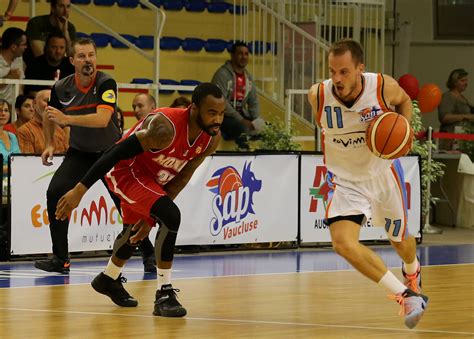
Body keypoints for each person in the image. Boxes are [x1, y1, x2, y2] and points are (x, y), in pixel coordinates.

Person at [55, 83, 225, 317]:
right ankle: (164, 292)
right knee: (172, 216)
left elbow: (184, 174)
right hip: (125, 169)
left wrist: (152, 216)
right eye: (212, 113)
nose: (218, 119)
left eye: (221, 113)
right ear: (194, 109)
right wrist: (79, 190)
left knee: (136, 231)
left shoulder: (210, 139)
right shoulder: (165, 127)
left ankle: (108, 278)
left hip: (153, 176)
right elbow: (113, 152)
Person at [307, 39, 428, 329]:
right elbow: (325, 130)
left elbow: (403, 102)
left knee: (401, 243)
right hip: (344, 180)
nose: (337, 78)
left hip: (382, 174)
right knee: (343, 244)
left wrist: (403, 134)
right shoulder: (318, 95)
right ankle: (405, 295)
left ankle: (412, 271)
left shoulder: (383, 86)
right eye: (332, 71)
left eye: (344, 72)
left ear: (361, 68)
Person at [33, 38, 156, 274]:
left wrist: (66, 119)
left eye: (91, 55)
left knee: (126, 206)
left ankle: (149, 253)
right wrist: (49, 143)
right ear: (72, 61)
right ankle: (60, 259)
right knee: (56, 192)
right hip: (80, 152)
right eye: (82, 56)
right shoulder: (61, 87)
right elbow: (50, 115)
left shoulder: (106, 82)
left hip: (112, 153)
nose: (88, 60)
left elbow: (101, 120)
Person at [211, 41, 265, 148]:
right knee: (243, 129)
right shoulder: (222, 74)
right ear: (232, 55)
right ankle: (244, 159)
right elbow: (221, 102)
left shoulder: (248, 77)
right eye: (240, 53)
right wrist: (241, 120)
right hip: (224, 117)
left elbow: (253, 102)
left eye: (246, 54)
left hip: (242, 116)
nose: (244, 57)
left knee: (269, 129)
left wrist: (256, 121)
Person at [17, 89, 69, 154]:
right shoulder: (25, 131)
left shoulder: (59, 129)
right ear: (34, 103)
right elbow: (28, 161)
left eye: (53, 102)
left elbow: (68, 155)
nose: (50, 105)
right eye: (47, 101)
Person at [438, 68, 474, 151]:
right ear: (454, 82)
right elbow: (444, 117)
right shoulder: (448, 97)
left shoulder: (463, 98)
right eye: (462, 81)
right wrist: (466, 116)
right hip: (450, 141)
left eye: (466, 80)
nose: (466, 83)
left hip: (462, 140)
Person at [0, 27, 27, 106]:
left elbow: (20, 87)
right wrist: (10, 77)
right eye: (24, 44)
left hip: (13, 110)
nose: (26, 47)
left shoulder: (19, 59)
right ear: (13, 47)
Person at [0, 98, 20, 175]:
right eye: (0, 110)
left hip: (13, 180)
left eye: (6, 110)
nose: (3, 113)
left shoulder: (12, 136)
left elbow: (19, 160)